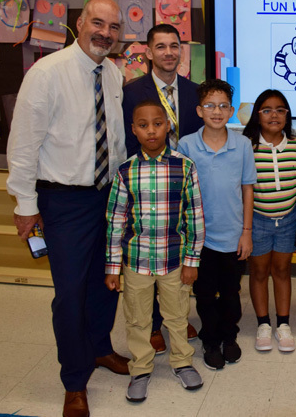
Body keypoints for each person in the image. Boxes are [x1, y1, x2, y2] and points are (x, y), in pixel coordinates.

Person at [6, 0, 130, 417]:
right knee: (71, 293)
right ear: (80, 23)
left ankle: (99, 349)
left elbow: (113, 141)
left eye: (113, 28)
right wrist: (25, 204)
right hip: (64, 201)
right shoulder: (46, 74)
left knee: (106, 282)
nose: (106, 33)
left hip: (108, 197)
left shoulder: (113, 73)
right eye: (98, 23)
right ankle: (74, 381)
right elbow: (23, 145)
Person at [104, 100, 205, 402]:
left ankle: (182, 362)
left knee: (177, 316)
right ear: (134, 130)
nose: (151, 130)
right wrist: (112, 267)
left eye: (157, 123)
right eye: (143, 125)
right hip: (136, 262)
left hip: (174, 260)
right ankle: (141, 368)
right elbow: (115, 220)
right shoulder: (125, 171)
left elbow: (195, 216)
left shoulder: (184, 167)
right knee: (137, 319)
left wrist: (192, 261)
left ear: (168, 126)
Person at [121, 23, 203, 353]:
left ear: (181, 50)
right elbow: (127, 140)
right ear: (148, 52)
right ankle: (154, 324)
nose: (168, 52)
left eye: (174, 45)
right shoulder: (131, 92)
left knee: (179, 251)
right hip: (147, 184)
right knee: (150, 253)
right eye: (161, 46)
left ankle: (176, 318)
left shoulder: (195, 91)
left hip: (183, 184)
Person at [177, 79, 257, 370]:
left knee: (232, 291)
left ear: (232, 110)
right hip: (200, 239)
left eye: (223, 105)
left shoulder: (243, 144)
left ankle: (229, 336)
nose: (217, 111)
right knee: (205, 293)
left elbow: (248, 189)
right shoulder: (186, 145)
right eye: (210, 105)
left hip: (234, 235)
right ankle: (210, 340)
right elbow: (182, 194)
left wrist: (246, 233)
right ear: (199, 110)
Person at [242, 90, 296, 353]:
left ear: (287, 115)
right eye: (267, 110)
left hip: (288, 220)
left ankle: (284, 324)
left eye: (280, 109)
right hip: (257, 221)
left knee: (282, 271)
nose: (274, 115)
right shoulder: (248, 147)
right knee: (258, 272)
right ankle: (263, 323)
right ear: (257, 115)